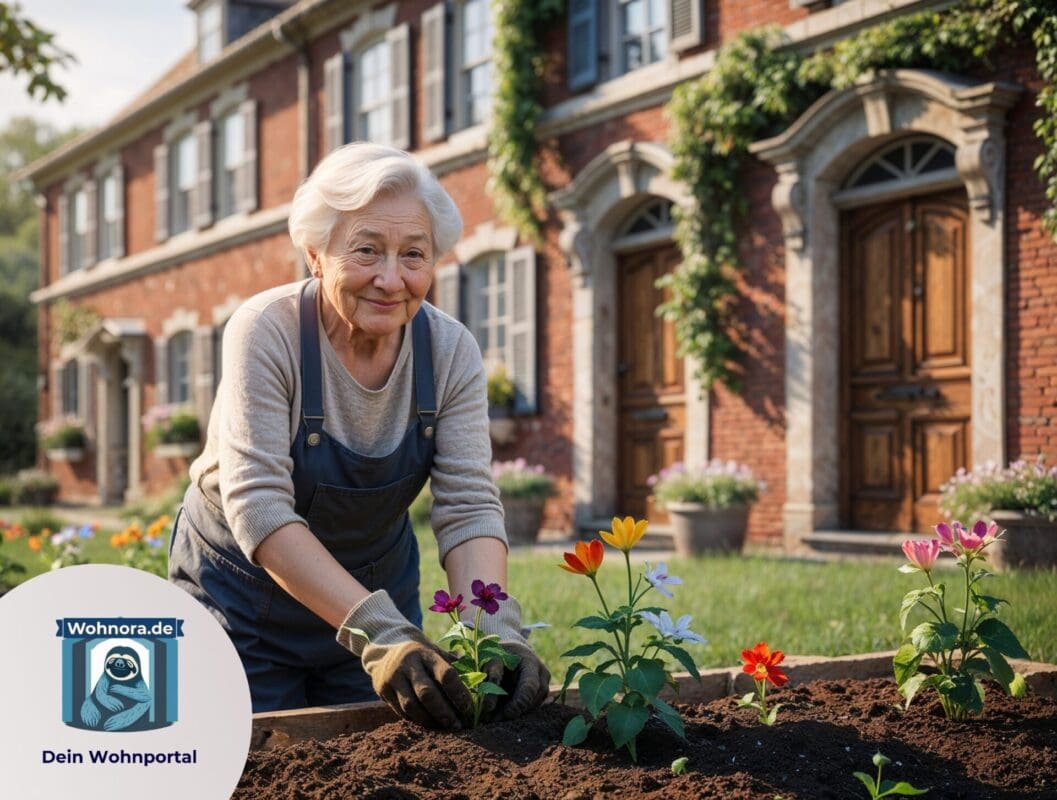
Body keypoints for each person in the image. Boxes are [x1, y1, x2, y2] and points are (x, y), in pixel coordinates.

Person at [168, 142, 549, 726]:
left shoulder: (450, 352)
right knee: (246, 759)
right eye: (366, 250)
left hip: (377, 592)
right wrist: (380, 632)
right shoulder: (267, 332)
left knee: (380, 762)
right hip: (242, 597)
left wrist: (494, 629)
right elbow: (260, 506)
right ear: (315, 254)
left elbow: (469, 505)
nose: (391, 279)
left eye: (413, 254)